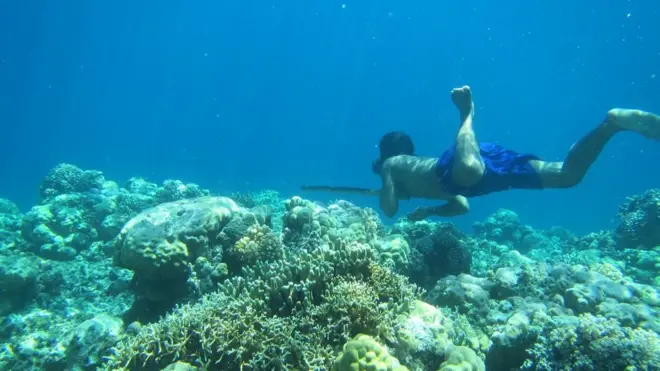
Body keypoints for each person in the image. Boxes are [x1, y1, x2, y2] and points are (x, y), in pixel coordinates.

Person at [371, 85, 660, 221]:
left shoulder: (392, 164)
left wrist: (390, 189)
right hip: (477, 173)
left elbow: (389, 209)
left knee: (469, 170)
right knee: (566, 175)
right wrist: (429, 211)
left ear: (387, 153)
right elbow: (462, 205)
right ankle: (610, 126)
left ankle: (467, 114)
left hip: (462, 168)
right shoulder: (410, 164)